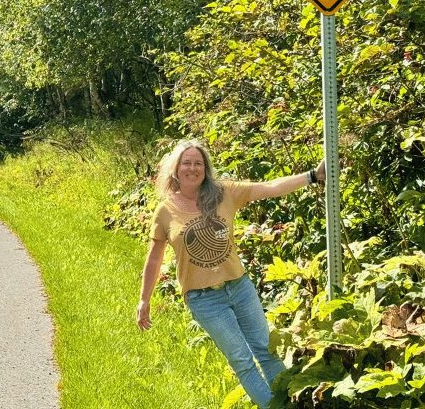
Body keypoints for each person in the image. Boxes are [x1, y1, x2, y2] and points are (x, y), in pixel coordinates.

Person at [136, 139, 325, 409]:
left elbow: (269, 188)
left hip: (239, 287)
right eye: (186, 163)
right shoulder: (165, 211)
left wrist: (311, 177)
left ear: (206, 169)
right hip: (204, 300)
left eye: (198, 163)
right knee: (241, 360)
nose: (193, 168)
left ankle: (290, 405)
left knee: (266, 350)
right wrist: (145, 299)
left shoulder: (224, 193)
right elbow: (154, 258)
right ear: (175, 169)